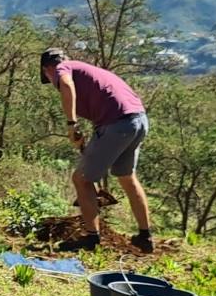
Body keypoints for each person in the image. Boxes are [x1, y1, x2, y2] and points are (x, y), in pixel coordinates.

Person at [42, 52, 155, 253]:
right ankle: (144, 236)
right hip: (138, 121)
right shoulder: (89, 70)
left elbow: (67, 86)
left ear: (48, 69)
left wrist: (71, 125)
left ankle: (91, 239)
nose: (53, 83)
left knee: (81, 179)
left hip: (117, 125)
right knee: (127, 177)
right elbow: (107, 102)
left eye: (48, 79)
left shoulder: (63, 68)